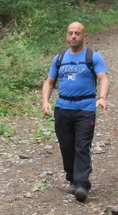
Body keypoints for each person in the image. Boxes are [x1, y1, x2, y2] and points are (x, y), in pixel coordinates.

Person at [41, 21, 109, 203]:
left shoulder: (93, 57)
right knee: (66, 146)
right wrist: (45, 101)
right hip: (62, 108)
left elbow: (103, 78)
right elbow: (49, 82)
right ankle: (72, 178)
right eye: (70, 33)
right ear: (66, 35)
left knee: (82, 146)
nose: (73, 36)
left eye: (77, 33)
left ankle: (82, 184)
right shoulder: (59, 58)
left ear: (84, 36)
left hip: (85, 108)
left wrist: (102, 97)